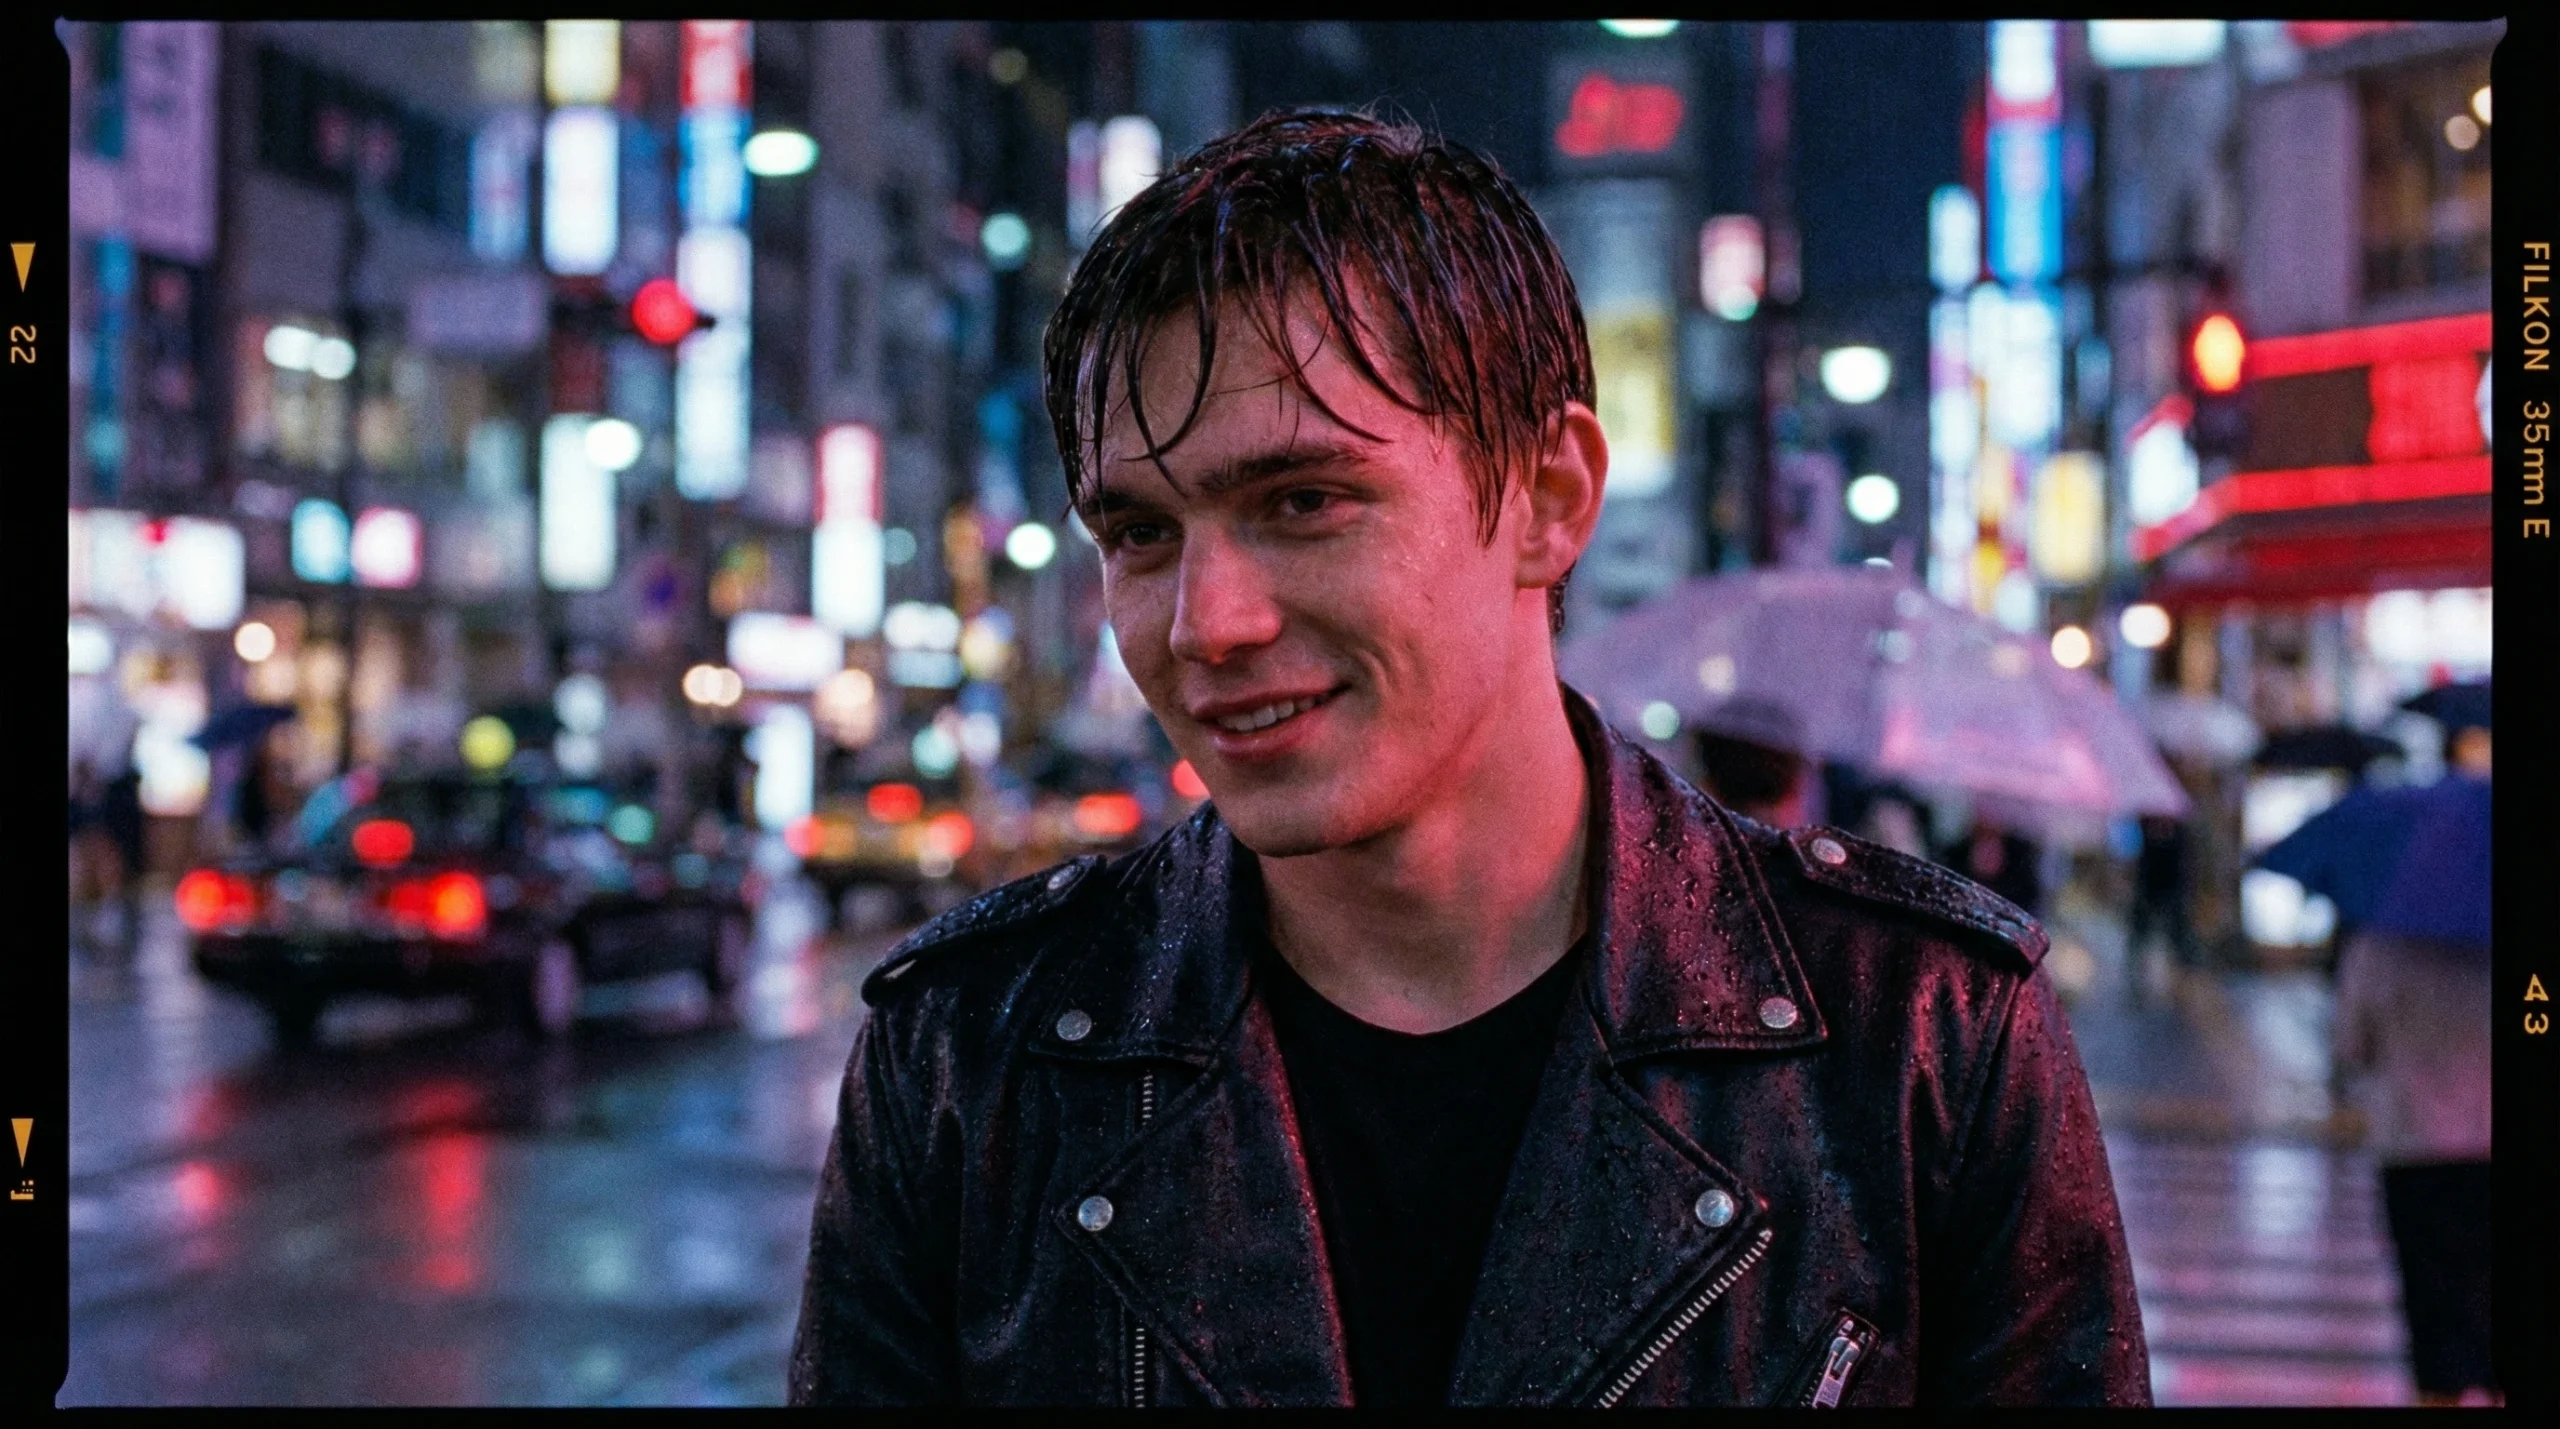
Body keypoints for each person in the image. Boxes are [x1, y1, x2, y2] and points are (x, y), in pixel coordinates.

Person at [791, 110, 2146, 1408]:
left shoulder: (1923, 1036)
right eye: (1140, 532)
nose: (1209, 623)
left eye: (1304, 501)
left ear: (1549, 500)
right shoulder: (972, 1054)